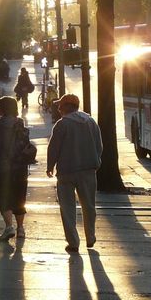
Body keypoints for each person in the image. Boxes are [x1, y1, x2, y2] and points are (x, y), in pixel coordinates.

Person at [46, 93, 102, 253]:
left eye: (60, 106)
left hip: (66, 171)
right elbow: (99, 145)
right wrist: (96, 161)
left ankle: (73, 242)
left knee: (67, 207)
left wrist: (50, 166)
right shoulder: (91, 122)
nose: (58, 108)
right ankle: (90, 236)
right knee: (89, 205)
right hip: (88, 170)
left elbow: (54, 147)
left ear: (65, 107)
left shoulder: (62, 124)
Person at [0, 95, 30, 242]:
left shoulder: (0, 124)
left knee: (5, 197)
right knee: (20, 197)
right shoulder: (20, 123)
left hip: (3, 168)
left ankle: (8, 227)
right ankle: (21, 229)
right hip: (20, 167)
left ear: (3, 109)